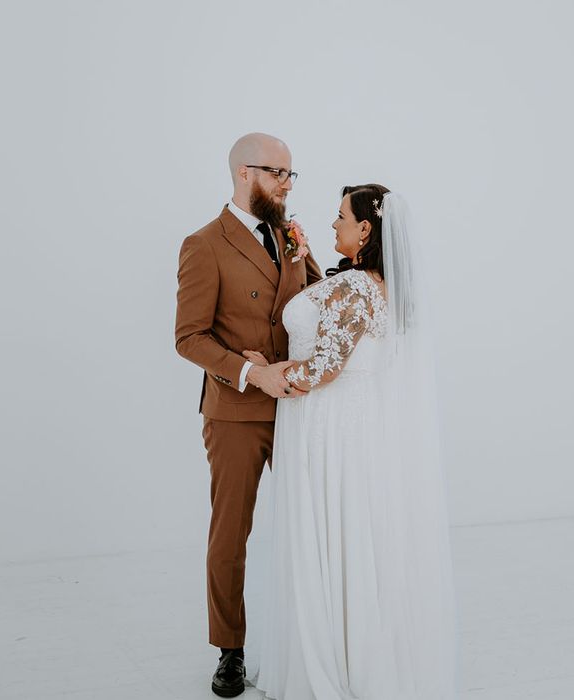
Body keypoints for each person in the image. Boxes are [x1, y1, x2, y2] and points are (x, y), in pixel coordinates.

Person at [245, 186, 460, 699]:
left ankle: (330, 660)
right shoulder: (378, 285)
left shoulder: (356, 288)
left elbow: (323, 368)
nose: (332, 222)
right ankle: (351, 645)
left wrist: (261, 370)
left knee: (328, 526)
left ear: (366, 230)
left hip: (326, 424)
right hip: (354, 423)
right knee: (349, 531)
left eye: (341, 216)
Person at [174, 132, 322, 697]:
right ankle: (229, 649)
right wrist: (248, 370)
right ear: (243, 174)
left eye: (291, 174)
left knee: (314, 522)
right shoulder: (203, 244)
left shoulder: (290, 236)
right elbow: (189, 337)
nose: (287, 183)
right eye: (277, 173)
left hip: (302, 406)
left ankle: (318, 636)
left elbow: (316, 303)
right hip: (237, 411)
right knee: (231, 535)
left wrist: (309, 260)